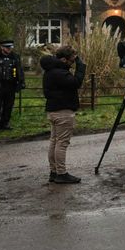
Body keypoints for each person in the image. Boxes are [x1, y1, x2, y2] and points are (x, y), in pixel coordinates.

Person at [41, 45, 87, 184]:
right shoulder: (59, 73)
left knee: (54, 142)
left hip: (54, 111)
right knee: (61, 143)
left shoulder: (51, 71)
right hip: (63, 112)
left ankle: (54, 171)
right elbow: (76, 82)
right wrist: (81, 67)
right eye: (71, 60)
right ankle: (61, 173)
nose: (73, 62)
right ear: (63, 59)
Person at [0, 39, 25, 132]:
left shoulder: (15, 57)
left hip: (11, 84)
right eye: (7, 47)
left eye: (10, 47)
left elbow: (20, 70)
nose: (9, 49)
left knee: (8, 105)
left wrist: (21, 82)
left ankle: (5, 123)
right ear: (2, 47)